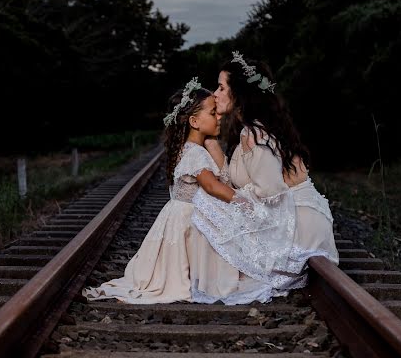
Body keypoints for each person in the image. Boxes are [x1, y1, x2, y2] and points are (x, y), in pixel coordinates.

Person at [83, 78, 270, 303]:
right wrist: (242, 201)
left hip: (180, 216)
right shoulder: (196, 153)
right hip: (189, 220)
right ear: (194, 121)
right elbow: (212, 186)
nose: (218, 117)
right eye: (212, 113)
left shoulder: (190, 149)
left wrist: (213, 145)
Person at [193, 52, 338, 296]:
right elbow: (244, 179)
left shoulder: (254, 134)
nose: (214, 94)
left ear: (238, 92)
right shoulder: (256, 129)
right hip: (299, 217)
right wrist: (212, 145)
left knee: (205, 205)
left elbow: (271, 191)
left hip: (298, 225)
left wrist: (234, 202)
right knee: (217, 205)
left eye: (220, 87)